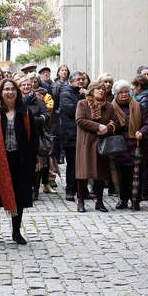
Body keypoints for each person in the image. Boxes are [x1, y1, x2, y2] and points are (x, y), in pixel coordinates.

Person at [0, 78, 37, 246]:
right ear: (1, 92)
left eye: (12, 89)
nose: (10, 92)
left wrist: (33, 158)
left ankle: (16, 231)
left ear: (17, 92)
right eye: (6, 89)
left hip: (19, 160)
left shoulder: (25, 112)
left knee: (19, 196)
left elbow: (33, 137)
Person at [74, 79, 118, 212]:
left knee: (101, 174)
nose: (101, 90)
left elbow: (114, 122)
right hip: (86, 143)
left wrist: (108, 128)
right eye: (98, 88)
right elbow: (80, 120)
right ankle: (80, 202)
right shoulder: (82, 103)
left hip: (102, 143)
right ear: (91, 90)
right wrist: (98, 126)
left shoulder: (109, 106)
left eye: (103, 89)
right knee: (83, 174)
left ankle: (99, 202)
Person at [110, 80, 148, 210]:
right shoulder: (111, 107)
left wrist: (142, 131)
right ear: (115, 94)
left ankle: (135, 201)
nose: (124, 94)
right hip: (118, 147)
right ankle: (122, 199)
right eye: (120, 92)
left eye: (126, 92)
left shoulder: (138, 106)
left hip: (135, 145)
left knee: (136, 175)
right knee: (121, 176)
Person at [21, 76, 51, 202]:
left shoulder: (38, 100)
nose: (27, 87)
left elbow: (46, 115)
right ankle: (24, 188)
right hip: (20, 136)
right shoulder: (16, 100)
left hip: (35, 135)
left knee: (36, 164)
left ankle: (35, 190)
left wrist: (33, 120)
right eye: (24, 85)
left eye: (28, 84)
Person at [59, 71, 85, 201]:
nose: (81, 81)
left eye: (83, 79)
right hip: (70, 134)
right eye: (78, 79)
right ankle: (70, 190)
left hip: (82, 134)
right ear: (71, 81)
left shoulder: (82, 93)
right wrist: (83, 101)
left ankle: (83, 190)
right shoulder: (65, 93)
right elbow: (73, 111)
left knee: (83, 163)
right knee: (72, 165)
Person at [130, 74, 148, 201]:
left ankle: (145, 192)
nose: (132, 89)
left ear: (139, 86)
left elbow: (141, 119)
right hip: (142, 136)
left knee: (144, 165)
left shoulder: (144, 100)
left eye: (134, 86)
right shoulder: (142, 97)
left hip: (143, 137)